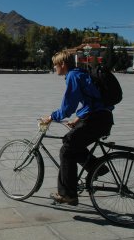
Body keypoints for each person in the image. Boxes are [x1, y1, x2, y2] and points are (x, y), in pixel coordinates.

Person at [40, 50, 113, 206]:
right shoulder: (81, 73)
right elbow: (92, 101)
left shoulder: (73, 76)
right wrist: (79, 118)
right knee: (72, 143)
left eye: (55, 65)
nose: (54, 69)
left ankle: (68, 194)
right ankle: (96, 168)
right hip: (102, 117)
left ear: (63, 64)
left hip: (97, 119)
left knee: (67, 149)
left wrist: (51, 117)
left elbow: (67, 107)